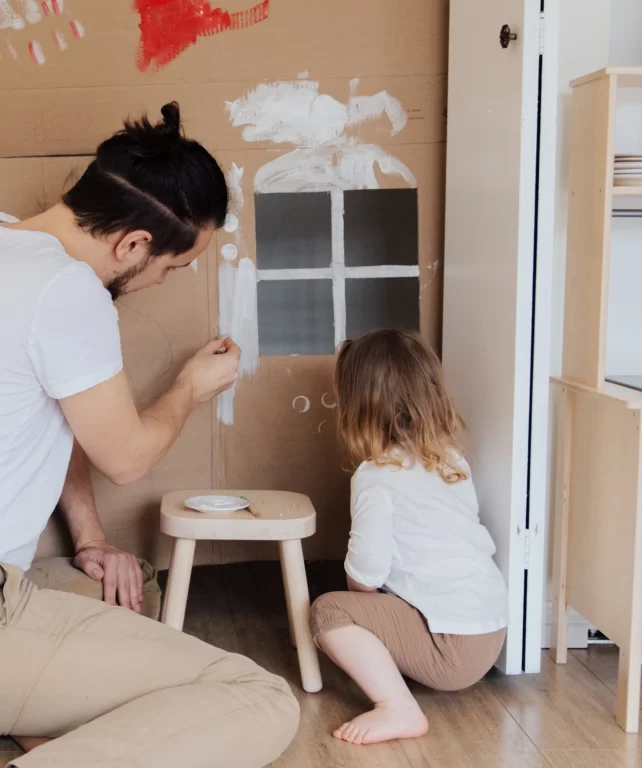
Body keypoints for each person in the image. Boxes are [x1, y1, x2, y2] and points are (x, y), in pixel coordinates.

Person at [0, 103, 299, 768]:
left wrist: (91, 537)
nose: (163, 281)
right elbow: (127, 457)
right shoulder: (66, 289)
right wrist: (190, 387)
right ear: (134, 243)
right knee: (257, 694)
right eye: (173, 265)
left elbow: (42, 415)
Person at [309, 329, 509, 746]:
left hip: (452, 651)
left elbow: (367, 570)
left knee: (329, 612)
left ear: (357, 407)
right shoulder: (451, 461)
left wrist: (363, 596)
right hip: (492, 630)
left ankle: (397, 707)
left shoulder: (376, 476)